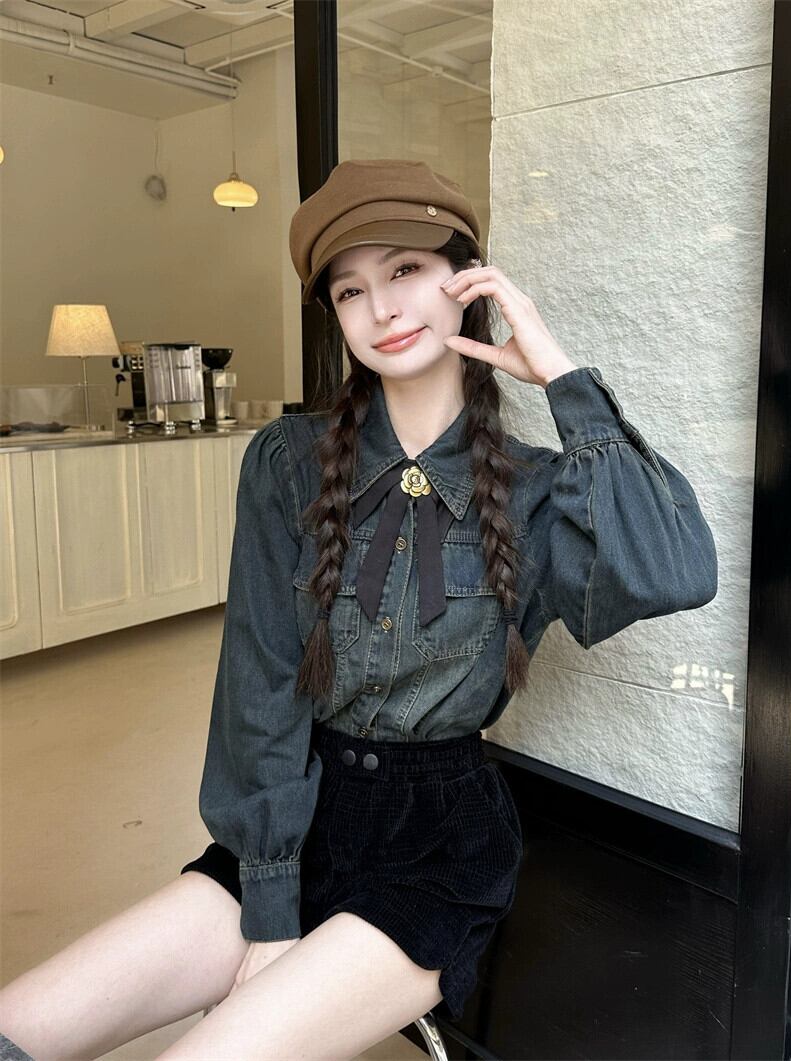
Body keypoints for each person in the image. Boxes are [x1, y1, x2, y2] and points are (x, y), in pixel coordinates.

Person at [0, 158, 718, 1060]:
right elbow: (259, 690)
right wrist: (270, 911)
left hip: (436, 848)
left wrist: (563, 379)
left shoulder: (537, 492)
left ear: (467, 281)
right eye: (350, 290)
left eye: (406, 269)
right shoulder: (287, 463)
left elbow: (674, 570)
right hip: (290, 821)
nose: (381, 308)